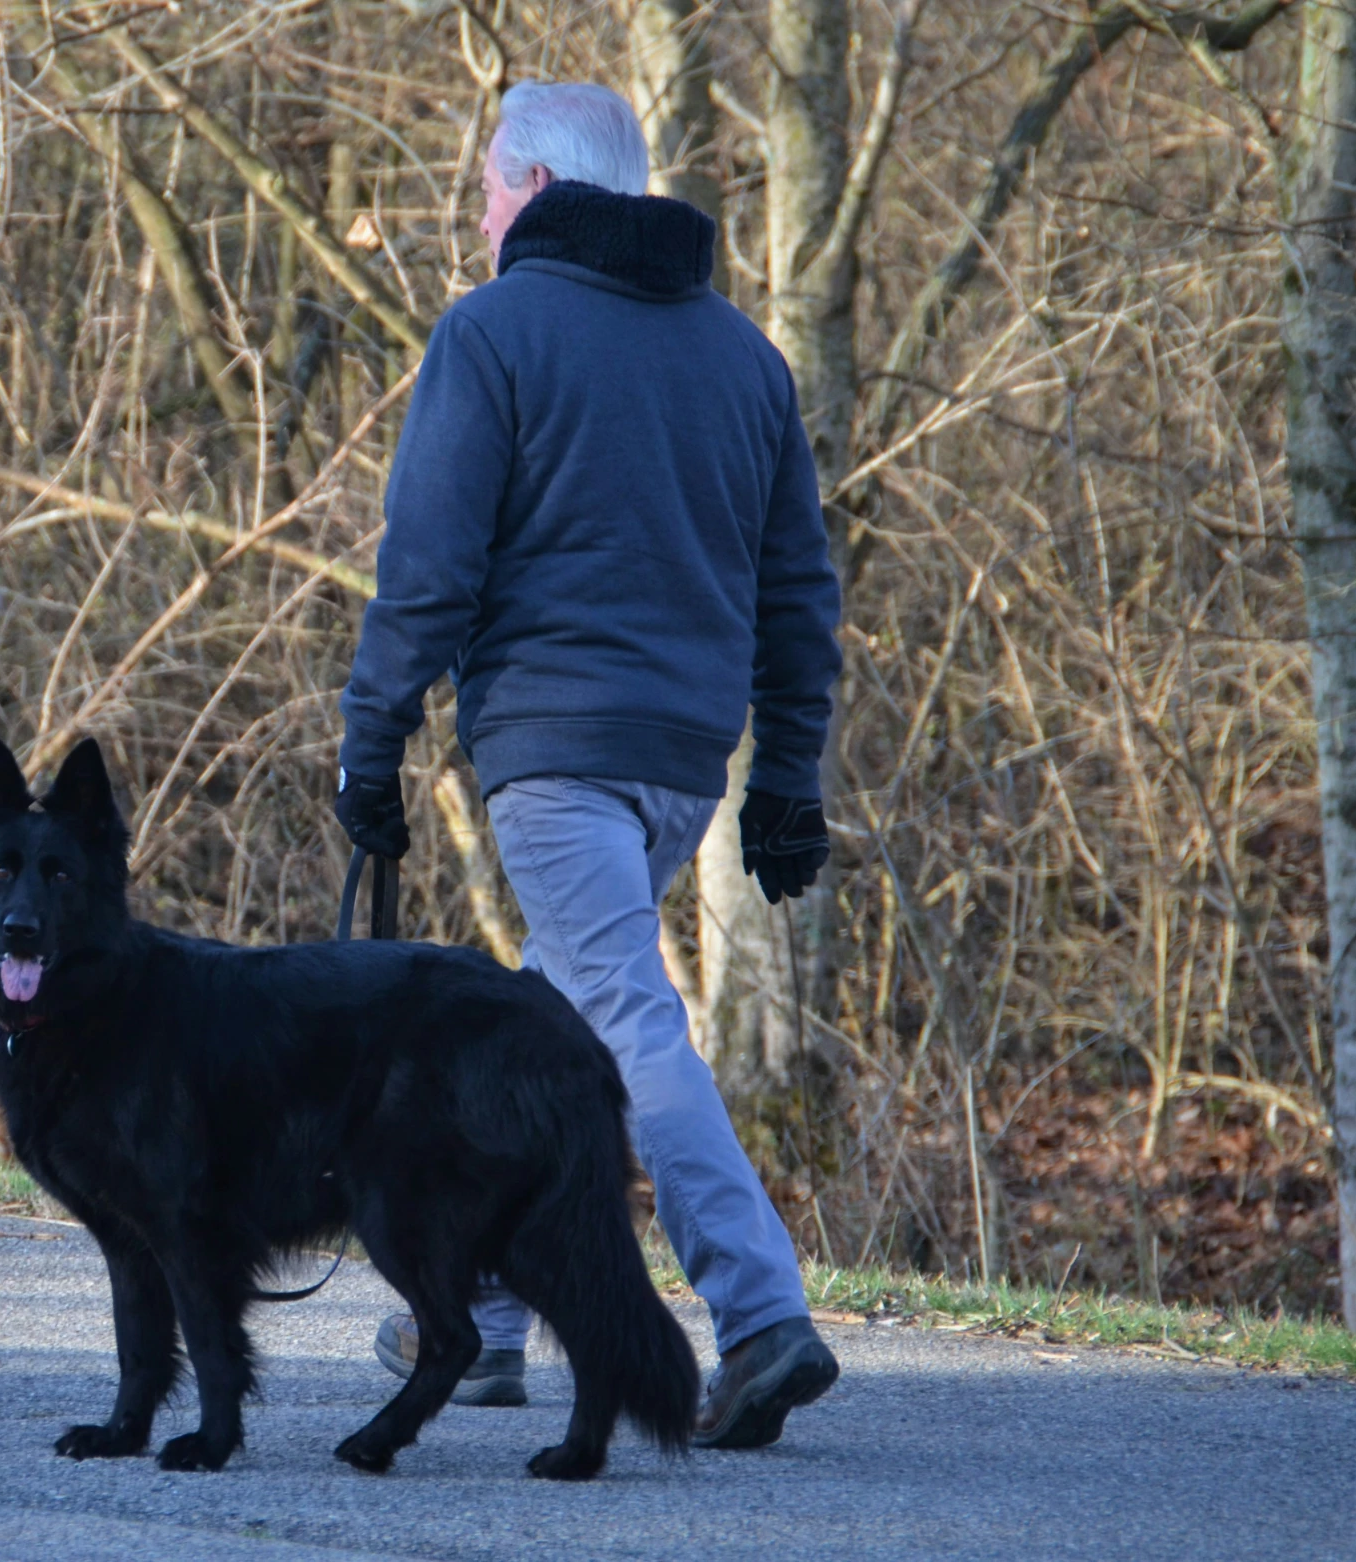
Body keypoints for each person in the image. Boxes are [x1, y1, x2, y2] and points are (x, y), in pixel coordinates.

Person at [332, 82, 844, 1450]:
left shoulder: (491, 332)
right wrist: (785, 777)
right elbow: (799, 594)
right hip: (682, 764)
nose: (482, 211)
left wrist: (369, 737)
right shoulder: (745, 358)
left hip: (554, 756)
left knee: (621, 1021)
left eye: (491, 185)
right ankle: (485, 1319)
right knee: (542, 1027)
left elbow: (427, 570)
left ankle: (757, 1312)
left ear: (539, 184)